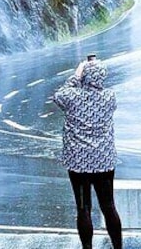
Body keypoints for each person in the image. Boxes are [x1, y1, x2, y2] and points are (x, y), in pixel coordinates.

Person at [53, 54, 123, 249]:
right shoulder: (110, 96)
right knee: (109, 206)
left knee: (83, 208)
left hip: (78, 162)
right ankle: (118, 247)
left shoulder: (72, 96)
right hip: (104, 160)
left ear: (84, 76)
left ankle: (87, 248)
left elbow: (58, 95)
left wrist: (77, 74)